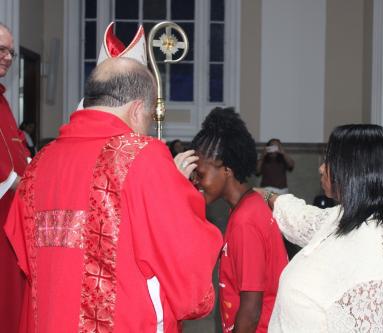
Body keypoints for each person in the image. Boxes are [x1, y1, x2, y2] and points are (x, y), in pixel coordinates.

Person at [4, 58, 222, 332]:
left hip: (48, 320)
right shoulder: (142, 155)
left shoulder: (39, 162)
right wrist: (178, 192)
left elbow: (23, 252)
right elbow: (182, 256)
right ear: (138, 108)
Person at [256, 124, 383, 332]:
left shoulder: (379, 266)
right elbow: (304, 218)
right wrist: (266, 196)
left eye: (330, 161)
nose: (321, 168)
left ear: (356, 170)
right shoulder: (348, 216)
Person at [187, 107, 288, 333]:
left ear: (227, 169)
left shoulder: (246, 221)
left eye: (201, 174)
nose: (197, 183)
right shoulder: (247, 206)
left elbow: (251, 310)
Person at [0, 23, 31, 333]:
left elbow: (16, 152)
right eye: (1, 50)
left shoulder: (3, 101)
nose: (8, 57)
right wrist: (17, 181)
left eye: (10, 51)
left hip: (13, 215)